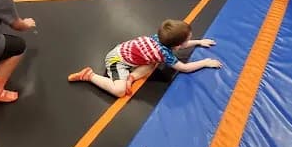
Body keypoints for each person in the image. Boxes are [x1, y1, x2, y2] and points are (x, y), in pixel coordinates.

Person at [68, 19, 220, 98]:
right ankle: (89, 76)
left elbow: (181, 45)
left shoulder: (160, 38)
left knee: (154, 62)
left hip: (125, 53)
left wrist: (199, 42)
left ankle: (131, 77)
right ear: (177, 45)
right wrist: (206, 62)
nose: (189, 41)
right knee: (119, 91)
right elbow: (184, 68)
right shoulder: (164, 53)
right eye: (188, 39)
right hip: (116, 60)